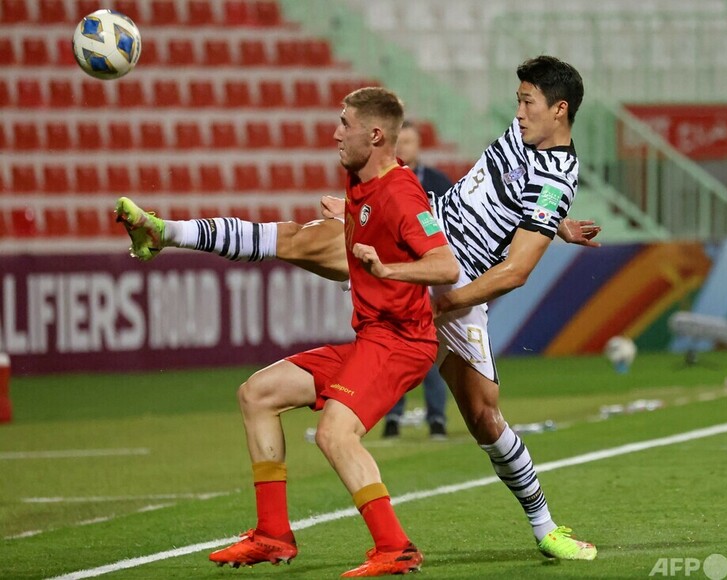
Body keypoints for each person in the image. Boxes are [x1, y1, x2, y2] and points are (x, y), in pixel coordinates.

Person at [119, 55, 601, 562]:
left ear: (559, 110)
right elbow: (511, 196)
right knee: (299, 239)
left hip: (454, 280)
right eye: (518, 100)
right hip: (424, 231)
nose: (518, 112)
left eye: (528, 102)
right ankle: (166, 232)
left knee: (484, 417)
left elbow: (516, 271)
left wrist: (443, 303)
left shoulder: (556, 176)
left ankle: (545, 527)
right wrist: (554, 223)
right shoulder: (525, 139)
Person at [118, 87, 460, 577]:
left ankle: (395, 547)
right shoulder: (360, 181)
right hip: (372, 339)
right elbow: (308, 237)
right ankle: (272, 534)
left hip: (402, 343)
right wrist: (350, 222)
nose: (335, 133)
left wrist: (388, 270)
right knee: (258, 393)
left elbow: (445, 265)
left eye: (345, 123)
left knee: (335, 433)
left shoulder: (401, 193)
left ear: (375, 135)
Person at [384, 120, 455, 439]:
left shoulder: (438, 182)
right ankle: (392, 416)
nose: (402, 147)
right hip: (396, 273)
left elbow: (453, 222)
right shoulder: (381, 181)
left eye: (408, 141)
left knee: (434, 344)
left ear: (419, 145)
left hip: (430, 271)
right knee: (394, 346)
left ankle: (436, 417)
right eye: (398, 142)